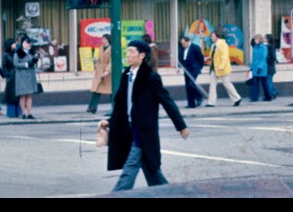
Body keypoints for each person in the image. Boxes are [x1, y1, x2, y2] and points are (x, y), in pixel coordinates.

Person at [105, 40, 189, 191]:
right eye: (128, 51)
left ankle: (117, 194)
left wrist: (181, 126)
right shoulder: (126, 75)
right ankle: (168, 193)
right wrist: (110, 121)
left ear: (142, 55)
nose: (128, 54)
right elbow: (121, 105)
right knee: (151, 169)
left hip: (143, 129)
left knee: (130, 166)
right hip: (128, 128)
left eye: (132, 51)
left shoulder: (151, 77)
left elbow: (167, 102)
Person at [206, 29, 241, 107]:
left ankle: (237, 98)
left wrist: (221, 67)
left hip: (222, 68)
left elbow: (224, 57)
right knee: (212, 85)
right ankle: (211, 102)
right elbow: (213, 56)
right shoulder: (213, 45)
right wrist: (207, 59)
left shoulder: (223, 45)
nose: (211, 38)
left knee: (226, 83)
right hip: (214, 68)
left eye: (212, 36)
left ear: (217, 37)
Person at [14, 35, 39, 120]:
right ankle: (23, 113)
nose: (27, 45)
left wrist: (35, 61)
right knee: (22, 95)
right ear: (21, 43)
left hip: (30, 75)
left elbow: (34, 63)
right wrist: (26, 64)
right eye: (25, 43)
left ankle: (29, 113)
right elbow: (15, 64)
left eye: (28, 43)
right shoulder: (18, 52)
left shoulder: (32, 52)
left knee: (29, 95)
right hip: (21, 76)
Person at [179, 34, 205, 108]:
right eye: (182, 44)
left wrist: (199, 67)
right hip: (186, 69)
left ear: (188, 42)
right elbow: (183, 58)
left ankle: (199, 97)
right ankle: (191, 103)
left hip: (194, 69)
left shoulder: (195, 47)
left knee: (191, 84)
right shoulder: (183, 48)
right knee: (187, 86)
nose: (183, 45)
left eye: (184, 44)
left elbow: (201, 58)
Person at [88, 34, 112, 114]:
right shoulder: (101, 48)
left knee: (110, 91)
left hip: (107, 73)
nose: (103, 41)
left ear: (108, 40)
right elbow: (99, 59)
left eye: (105, 39)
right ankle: (92, 107)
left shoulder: (111, 48)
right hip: (99, 71)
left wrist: (106, 71)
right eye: (102, 39)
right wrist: (96, 65)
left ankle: (115, 107)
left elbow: (111, 62)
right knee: (96, 89)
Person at [2, 38, 21, 118]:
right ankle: (11, 112)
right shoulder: (6, 54)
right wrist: (8, 75)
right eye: (13, 44)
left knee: (18, 94)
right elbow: (4, 66)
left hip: (18, 76)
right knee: (11, 95)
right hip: (11, 77)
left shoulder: (17, 53)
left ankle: (19, 112)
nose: (15, 45)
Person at [248, 34, 271, 102]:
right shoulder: (255, 47)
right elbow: (254, 58)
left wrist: (260, 67)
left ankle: (268, 96)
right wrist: (251, 68)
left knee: (264, 83)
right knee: (255, 83)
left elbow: (263, 58)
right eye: (254, 39)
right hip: (255, 67)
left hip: (262, 68)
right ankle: (254, 98)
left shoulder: (264, 48)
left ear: (259, 40)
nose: (255, 41)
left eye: (256, 39)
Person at [264, 33, 279, 100]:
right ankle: (274, 92)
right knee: (268, 81)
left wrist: (268, 61)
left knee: (268, 81)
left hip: (269, 67)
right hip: (268, 67)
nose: (264, 39)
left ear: (268, 39)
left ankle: (272, 93)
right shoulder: (267, 46)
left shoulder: (270, 47)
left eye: (265, 38)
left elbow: (273, 57)